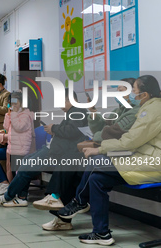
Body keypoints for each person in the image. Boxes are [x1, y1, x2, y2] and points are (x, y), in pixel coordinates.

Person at [57, 75, 161, 246]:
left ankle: (79, 202)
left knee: (96, 160)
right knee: (97, 179)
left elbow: (131, 140)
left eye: (132, 90)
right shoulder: (148, 107)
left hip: (153, 163)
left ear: (144, 94)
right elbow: (113, 133)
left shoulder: (152, 110)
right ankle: (101, 233)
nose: (130, 93)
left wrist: (99, 148)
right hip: (143, 159)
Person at [33, 78, 141, 231]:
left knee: (72, 162)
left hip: (122, 155)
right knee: (75, 171)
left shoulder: (135, 113)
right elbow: (103, 127)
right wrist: (94, 113)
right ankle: (62, 213)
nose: (118, 93)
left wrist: (98, 137)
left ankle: (58, 200)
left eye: (123, 90)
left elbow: (109, 133)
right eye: (118, 90)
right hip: (112, 152)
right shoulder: (119, 111)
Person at [0, 88, 88, 207]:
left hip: (57, 153)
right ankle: (21, 197)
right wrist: (54, 131)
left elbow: (72, 131)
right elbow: (69, 132)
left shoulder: (78, 112)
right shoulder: (72, 112)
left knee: (26, 166)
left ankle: (7, 196)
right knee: (25, 162)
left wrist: (54, 128)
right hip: (52, 149)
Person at [0, 91, 34, 195]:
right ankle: (7, 184)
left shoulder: (26, 115)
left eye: (16, 103)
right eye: (11, 103)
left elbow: (19, 127)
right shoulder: (14, 114)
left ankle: (20, 193)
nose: (13, 105)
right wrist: (8, 114)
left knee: (17, 172)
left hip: (21, 149)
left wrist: (14, 114)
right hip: (12, 147)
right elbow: (7, 127)